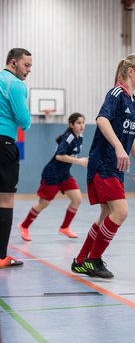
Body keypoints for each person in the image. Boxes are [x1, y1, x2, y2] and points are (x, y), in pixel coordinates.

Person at [71, 53, 135, 279]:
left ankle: (80, 261)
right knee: (121, 212)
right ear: (130, 72)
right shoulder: (116, 94)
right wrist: (117, 147)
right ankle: (93, 261)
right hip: (103, 163)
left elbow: (129, 133)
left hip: (116, 167)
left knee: (107, 213)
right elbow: (102, 120)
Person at [18, 113, 88, 241]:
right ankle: (24, 226)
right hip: (52, 174)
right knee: (43, 204)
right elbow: (59, 156)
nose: (82, 125)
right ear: (71, 124)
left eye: (83, 122)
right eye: (78, 123)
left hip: (64, 174)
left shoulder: (80, 137)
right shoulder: (68, 138)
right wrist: (79, 162)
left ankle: (64, 228)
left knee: (77, 199)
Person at [0, 48, 32, 268]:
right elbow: (23, 120)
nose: (29, 70)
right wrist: (27, 121)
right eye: (26, 65)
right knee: (5, 200)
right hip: (4, 144)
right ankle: (1, 257)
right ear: (13, 63)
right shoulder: (16, 85)